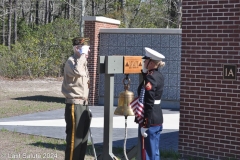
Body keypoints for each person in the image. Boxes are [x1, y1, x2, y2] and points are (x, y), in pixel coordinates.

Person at [61, 37, 91, 160]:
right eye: (86, 49)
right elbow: (77, 71)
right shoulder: (71, 61)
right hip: (74, 104)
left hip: (83, 104)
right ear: (77, 48)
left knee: (82, 140)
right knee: (74, 140)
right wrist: (82, 55)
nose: (88, 53)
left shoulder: (82, 62)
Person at [135, 47, 165, 160]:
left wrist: (145, 124)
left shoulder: (150, 78)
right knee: (155, 151)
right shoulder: (157, 76)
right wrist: (144, 74)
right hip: (157, 118)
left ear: (151, 62)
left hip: (150, 119)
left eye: (145, 61)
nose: (144, 62)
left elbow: (148, 102)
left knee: (147, 153)